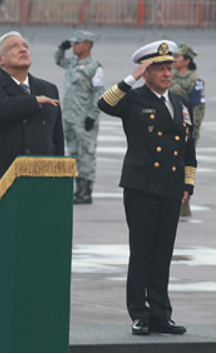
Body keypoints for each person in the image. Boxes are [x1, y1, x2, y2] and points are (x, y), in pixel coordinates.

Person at [98, 40, 197, 336]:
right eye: (161, 68)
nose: (168, 73)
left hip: (171, 187)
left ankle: (160, 315)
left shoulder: (180, 103)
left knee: (163, 253)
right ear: (147, 71)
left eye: (170, 67)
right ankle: (139, 315)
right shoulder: (133, 98)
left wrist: (187, 185)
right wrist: (131, 78)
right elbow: (104, 103)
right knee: (141, 253)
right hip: (141, 187)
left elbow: (187, 148)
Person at [0, 31, 64, 320]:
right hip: (3, 192)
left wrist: (59, 185)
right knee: (1, 260)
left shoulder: (48, 88)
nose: (23, 50)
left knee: (38, 260)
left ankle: (35, 316)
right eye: (14, 47)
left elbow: (56, 142)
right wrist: (33, 101)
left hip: (41, 191)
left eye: (25, 46)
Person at [55, 31, 105, 204]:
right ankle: (78, 189)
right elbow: (59, 61)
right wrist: (61, 49)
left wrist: (92, 115)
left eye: (77, 43)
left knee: (87, 154)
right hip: (69, 116)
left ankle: (86, 191)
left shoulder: (95, 67)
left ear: (87, 45)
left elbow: (99, 93)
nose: (74, 46)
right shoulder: (72, 62)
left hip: (84, 119)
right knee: (74, 153)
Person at [170, 44, 206, 217]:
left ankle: (183, 204)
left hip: (186, 131)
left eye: (178, 56)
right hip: (170, 129)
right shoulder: (171, 76)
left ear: (187, 60)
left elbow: (198, 108)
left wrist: (192, 131)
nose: (174, 59)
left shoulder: (194, 81)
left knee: (185, 164)